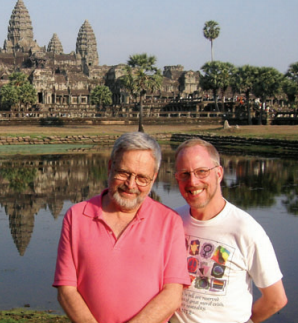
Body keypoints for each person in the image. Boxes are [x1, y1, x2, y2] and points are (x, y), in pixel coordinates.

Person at [53, 132, 190, 323]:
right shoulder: (76, 217)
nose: (130, 185)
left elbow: (173, 295)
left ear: (154, 177)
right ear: (110, 167)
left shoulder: (170, 222)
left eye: (142, 178)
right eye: (124, 173)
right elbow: (66, 289)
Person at [170, 138, 287, 323]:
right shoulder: (172, 221)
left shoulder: (245, 229)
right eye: (184, 174)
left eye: (202, 172)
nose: (192, 181)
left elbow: (276, 299)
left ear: (218, 173)